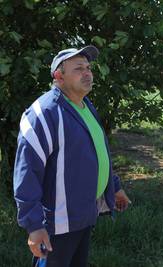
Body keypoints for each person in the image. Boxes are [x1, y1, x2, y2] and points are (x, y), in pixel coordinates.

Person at [13, 45, 131, 267]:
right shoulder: (44, 113)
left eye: (88, 67)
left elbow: (97, 151)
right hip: (57, 225)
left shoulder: (85, 106)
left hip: (84, 215)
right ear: (59, 76)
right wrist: (34, 226)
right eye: (78, 69)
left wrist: (113, 187)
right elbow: (26, 172)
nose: (87, 73)